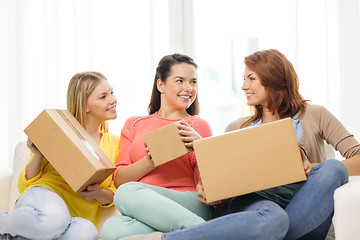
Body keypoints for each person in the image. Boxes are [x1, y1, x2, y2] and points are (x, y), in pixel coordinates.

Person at [119, 49, 359, 240]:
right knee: (272, 219)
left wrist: (308, 168)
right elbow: (214, 190)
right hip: (256, 204)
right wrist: (209, 189)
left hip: (305, 204)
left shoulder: (315, 115)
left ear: (273, 79)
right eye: (243, 79)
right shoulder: (236, 128)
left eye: (251, 78)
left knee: (333, 169)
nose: (244, 86)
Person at [101, 54, 214, 240]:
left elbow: (210, 186)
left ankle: (208, 233)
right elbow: (119, 180)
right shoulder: (134, 124)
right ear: (160, 85)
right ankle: (199, 231)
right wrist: (151, 160)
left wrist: (200, 146)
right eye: (180, 81)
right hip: (144, 205)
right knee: (111, 230)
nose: (188, 88)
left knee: (127, 193)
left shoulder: (197, 125)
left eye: (193, 82)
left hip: (189, 202)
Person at [0, 71, 120, 240]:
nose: (112, 100)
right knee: (53, 220)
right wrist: (37, 155)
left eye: (112, 93)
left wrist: (98, 193)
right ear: (85, 105)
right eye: (103, 97)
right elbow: (24, 185)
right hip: (45, 199)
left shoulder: (115, 142)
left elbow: (114, 191)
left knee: (87, 233)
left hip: (76, 218)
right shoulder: (63, 132)